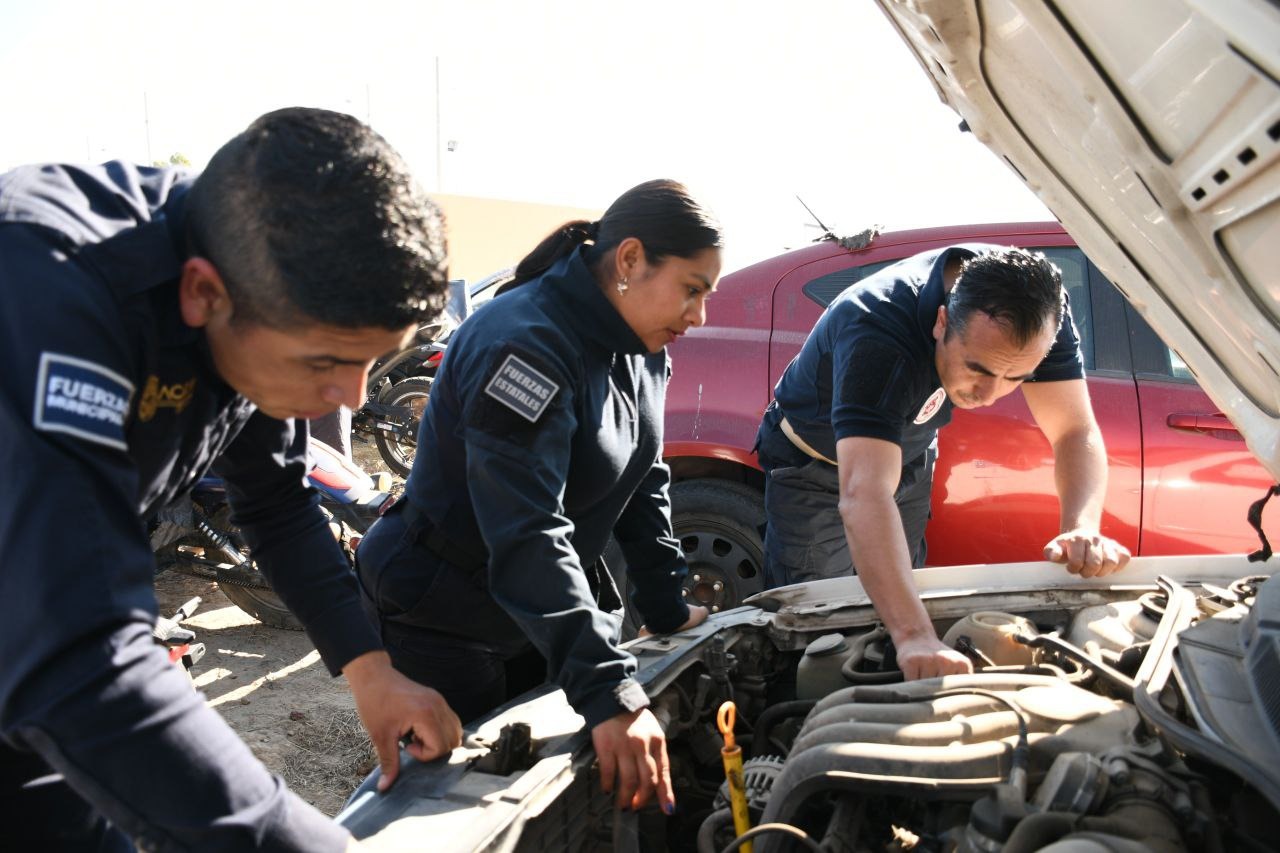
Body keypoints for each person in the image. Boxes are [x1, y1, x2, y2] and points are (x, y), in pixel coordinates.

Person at [0, 107, 463, 851]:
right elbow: (79, 648)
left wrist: (370, 667)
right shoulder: (48, 292)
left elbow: (275, 501)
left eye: (369, 363)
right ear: (202, 294)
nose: (351, 396)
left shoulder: (249, 272)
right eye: (324, 362)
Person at [356, 179, 722, 815]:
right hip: (440, 605)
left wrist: (664, 605)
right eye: (692, 289)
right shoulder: (524, 345)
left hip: (531, 607)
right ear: (630, 260)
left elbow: (643, 479)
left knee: (552, 792)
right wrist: (610, 694)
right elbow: (525, 528)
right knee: (455, 803)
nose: (700, 316)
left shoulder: (639, 346)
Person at [755, 245, 1131, 680]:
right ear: (941, 322)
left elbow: (1073, 431)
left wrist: (1082, 527)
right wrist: (915, 635)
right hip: (815, 465)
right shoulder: (876, 328)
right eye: (978, 369)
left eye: (1016, 378)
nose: (990, 395)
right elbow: (863, 494)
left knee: (902, 592)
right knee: (819, 624)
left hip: (909, 453)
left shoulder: (1040, 313)